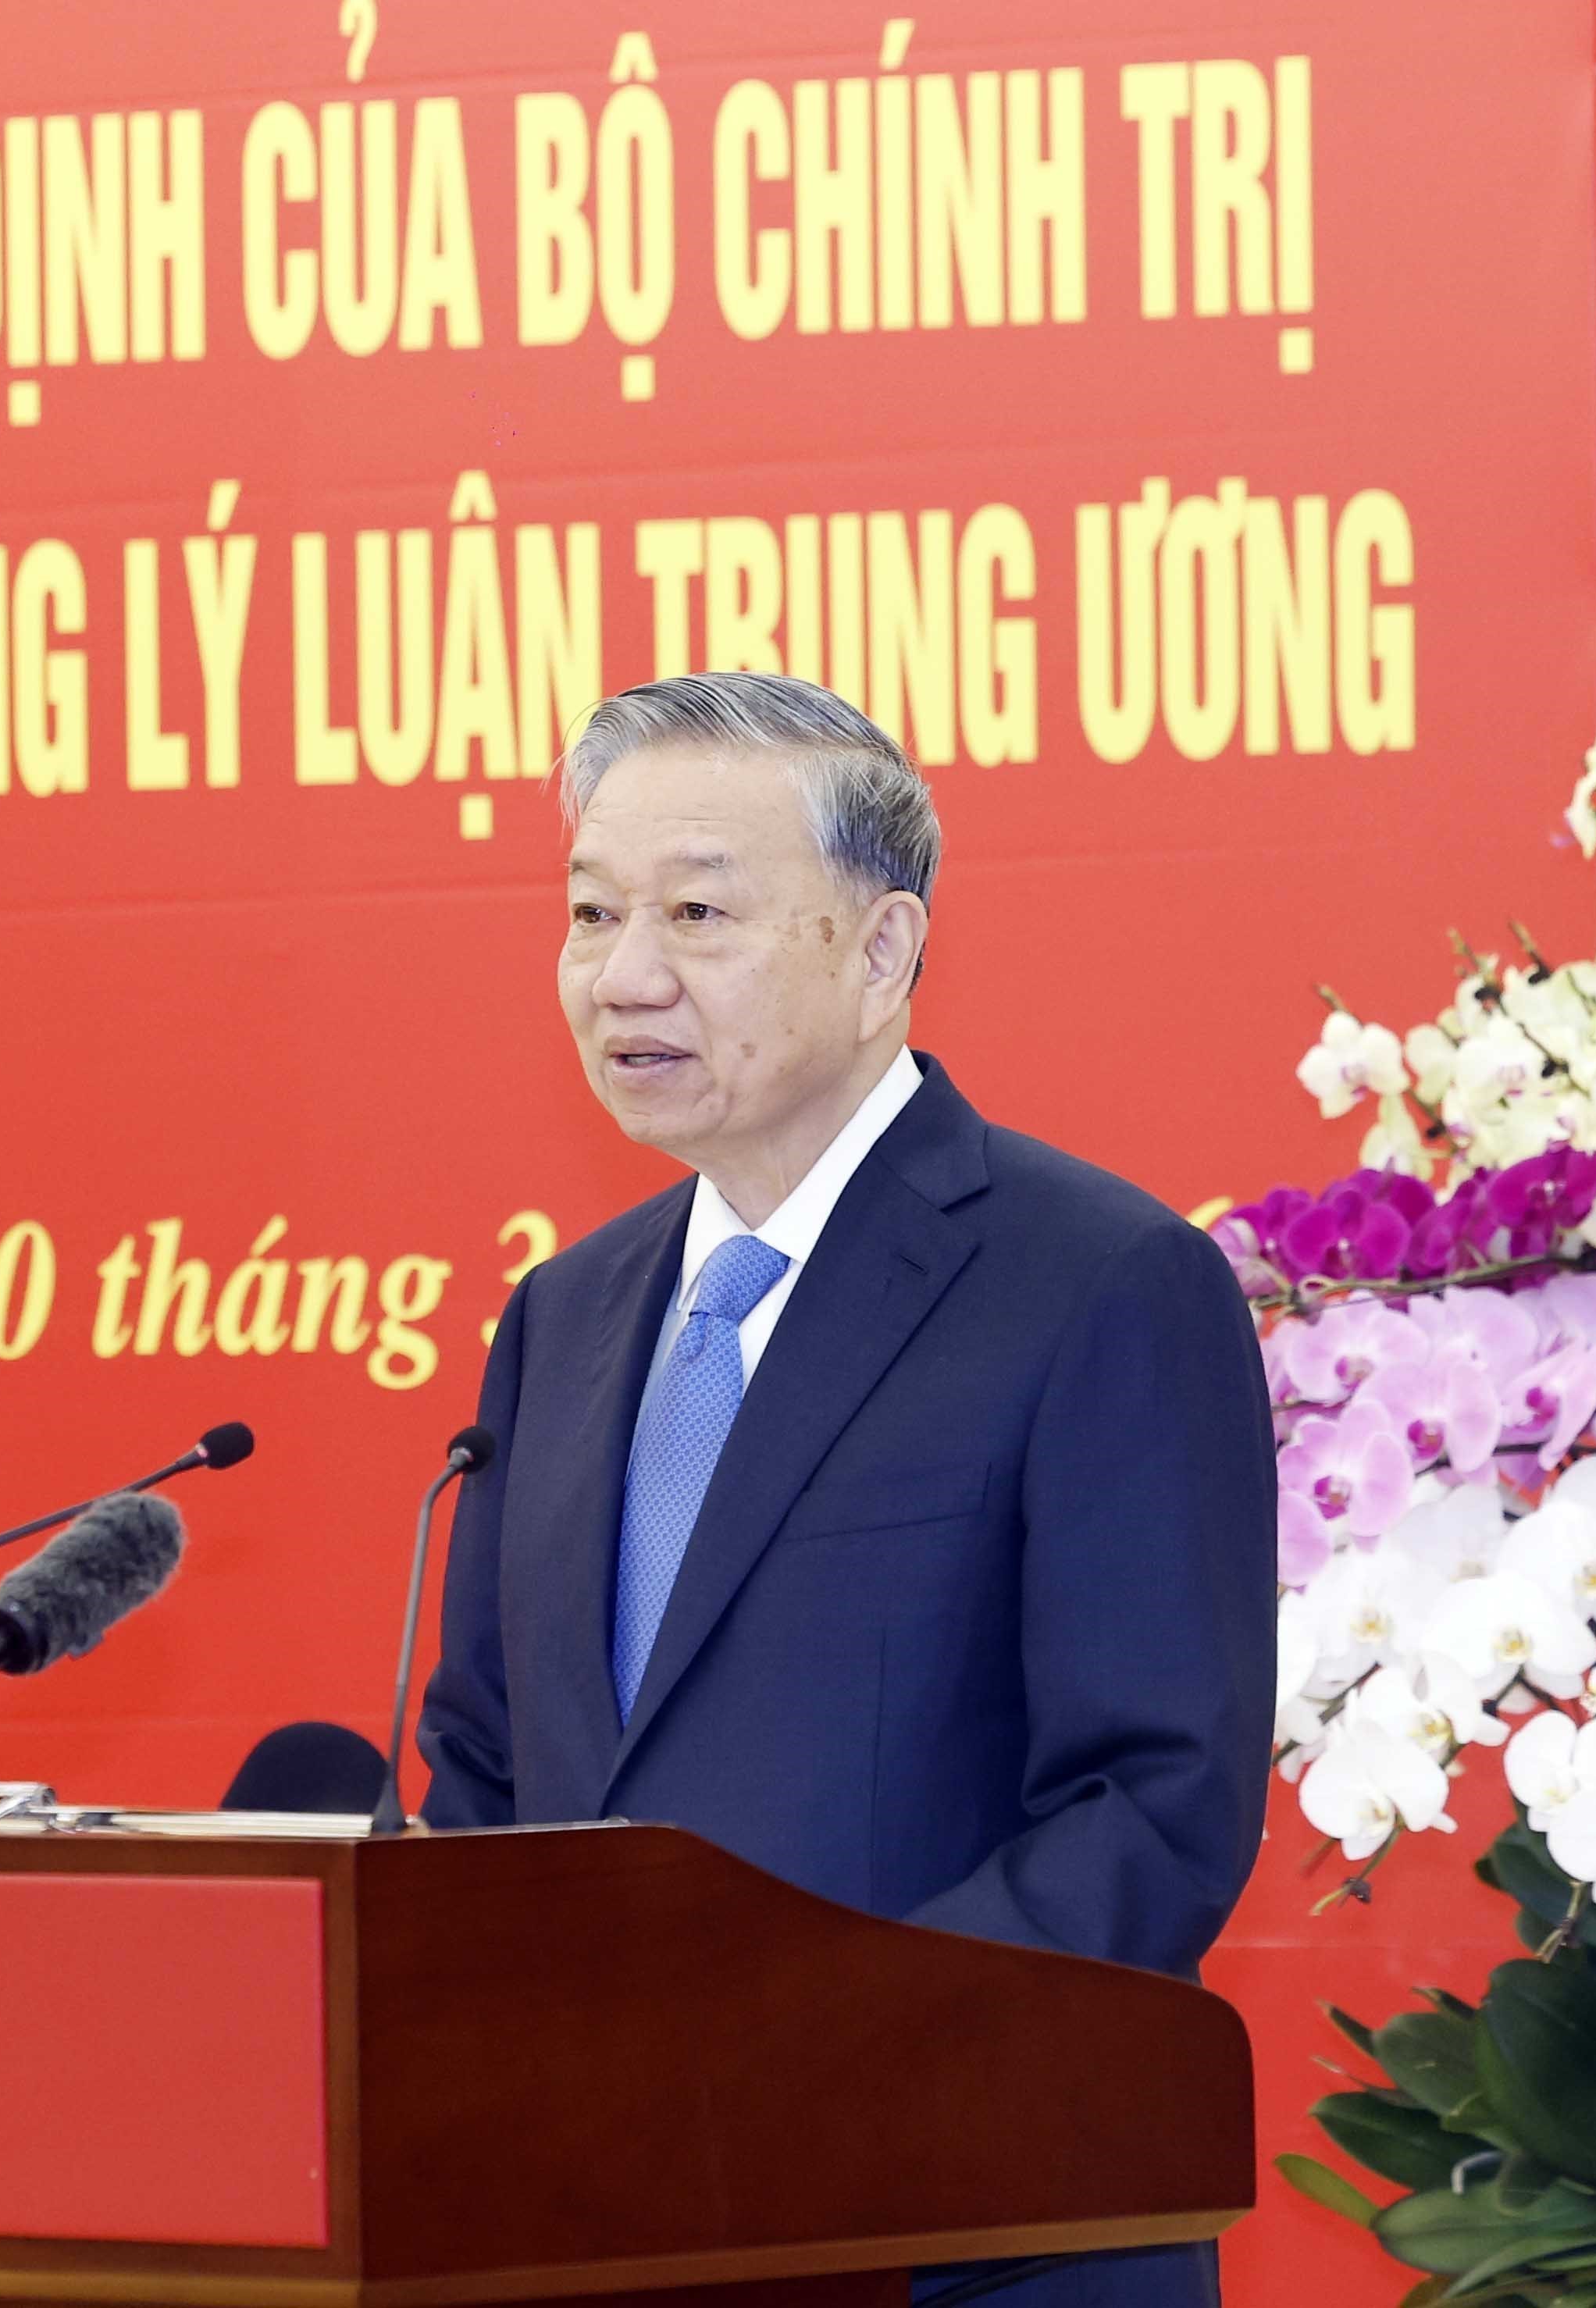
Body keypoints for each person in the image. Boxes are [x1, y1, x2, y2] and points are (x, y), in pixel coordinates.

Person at [416, 671, 1276, 2308]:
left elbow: (1149, 1805)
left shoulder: (1097, 1282)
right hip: (599, 2235)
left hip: (962, 2240)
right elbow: (484, 1768)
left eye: (695, 912)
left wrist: (806, 2063)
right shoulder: (565, 1317)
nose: (624, 973)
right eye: (590, 912)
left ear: (881, 952)